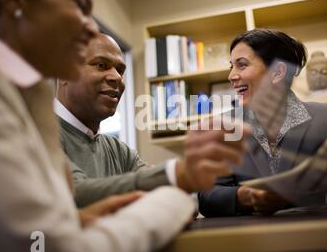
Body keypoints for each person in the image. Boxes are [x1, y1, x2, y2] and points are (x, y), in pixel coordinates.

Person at [0, 0, 247, 252]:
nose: (89, 27)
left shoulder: (26, 98)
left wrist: (78, 223)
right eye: (79, 5)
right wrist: (170, 203)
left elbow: (48, 231)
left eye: (121, 70)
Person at [199, 28, 327, 218]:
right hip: (249, 249)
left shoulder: (324, 119)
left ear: (278, 73)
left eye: (242, 65)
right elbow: (207, 197)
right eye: (231, 66)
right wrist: (246, 197)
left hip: (317, 246)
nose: (231, 76)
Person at [55, 33, 248, 207]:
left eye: (120, 70)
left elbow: (177, 202)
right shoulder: (36, 135)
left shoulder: (118, 150)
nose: (116, 77)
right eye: (101, 65)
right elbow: (75, 193)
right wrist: (176, 174)